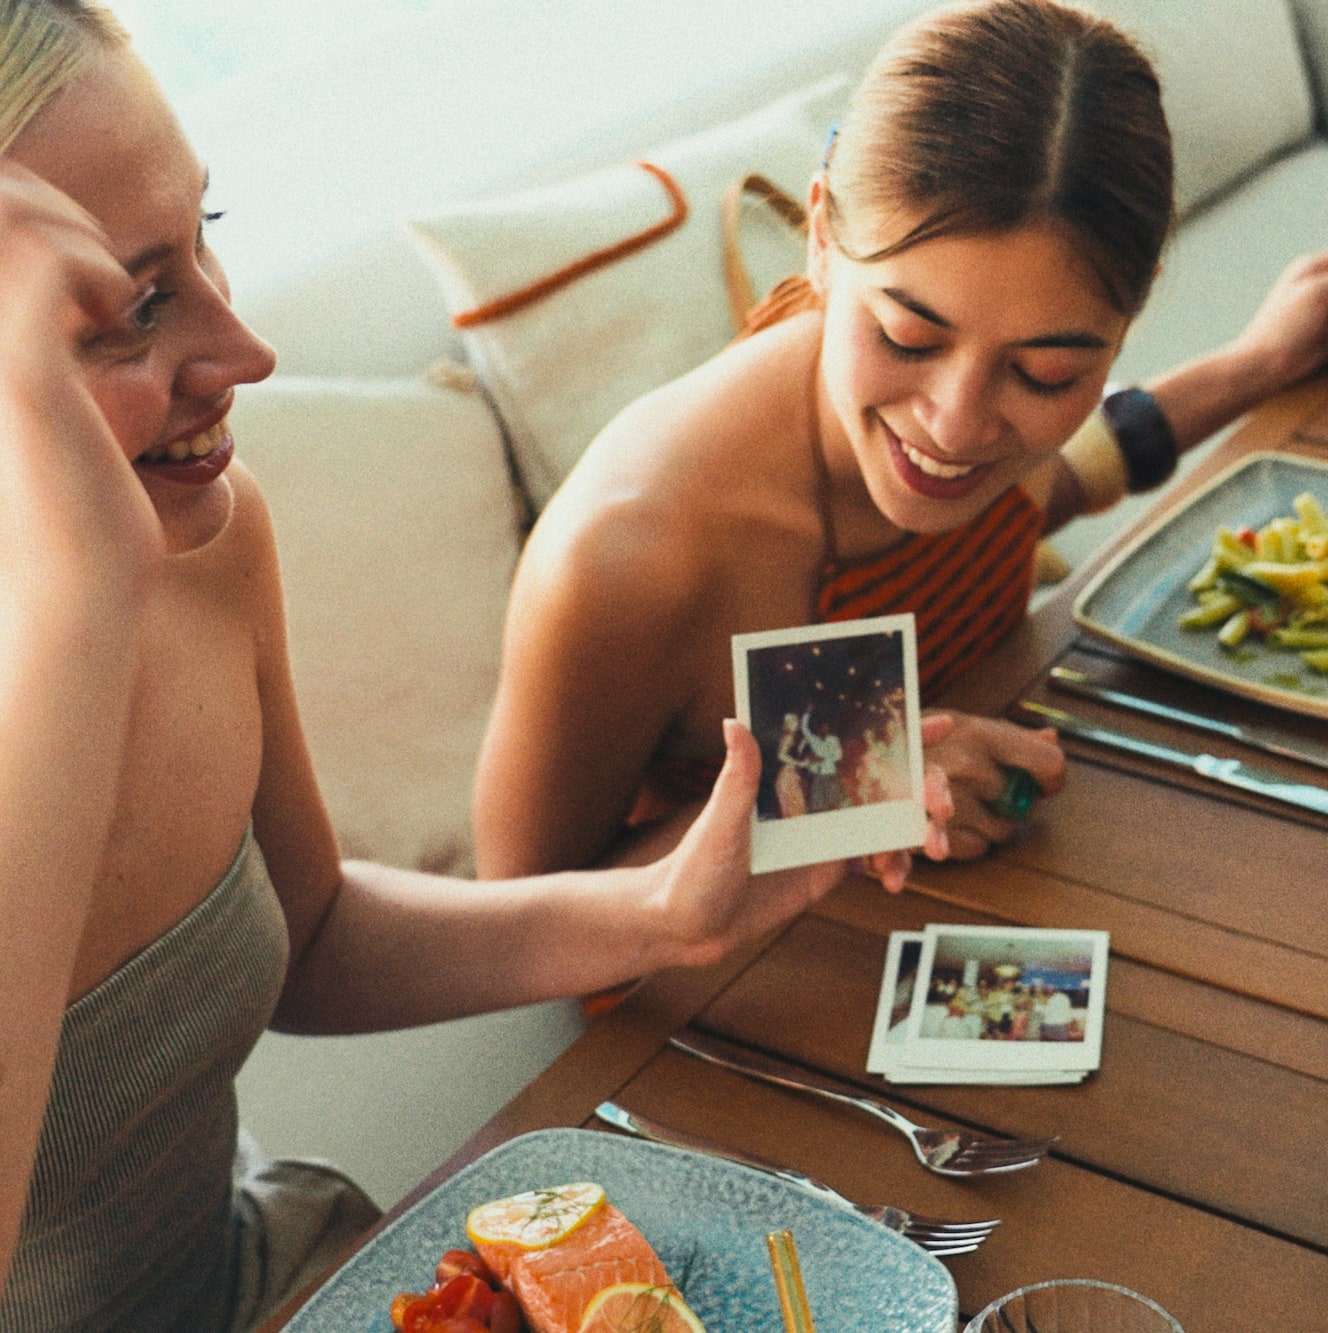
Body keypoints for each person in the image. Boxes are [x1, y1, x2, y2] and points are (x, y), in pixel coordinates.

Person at [0, 4, 947, 1326]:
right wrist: (76, 612)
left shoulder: (209, 540)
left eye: (204, 241)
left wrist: (668, 908)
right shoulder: (115, 588)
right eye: (131, 308)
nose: (245, 352)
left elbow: (313, 935)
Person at [472, 0, 1328, 880]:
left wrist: (1250, 367)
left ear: (1133, 311)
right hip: (731, 991)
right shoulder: (634, 551)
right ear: (823, 238)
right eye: (908, 338)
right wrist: (850, 787)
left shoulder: (983, 447)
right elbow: (517, 925)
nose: (956, 428)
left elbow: (1036, 496)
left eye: (1046, 373)